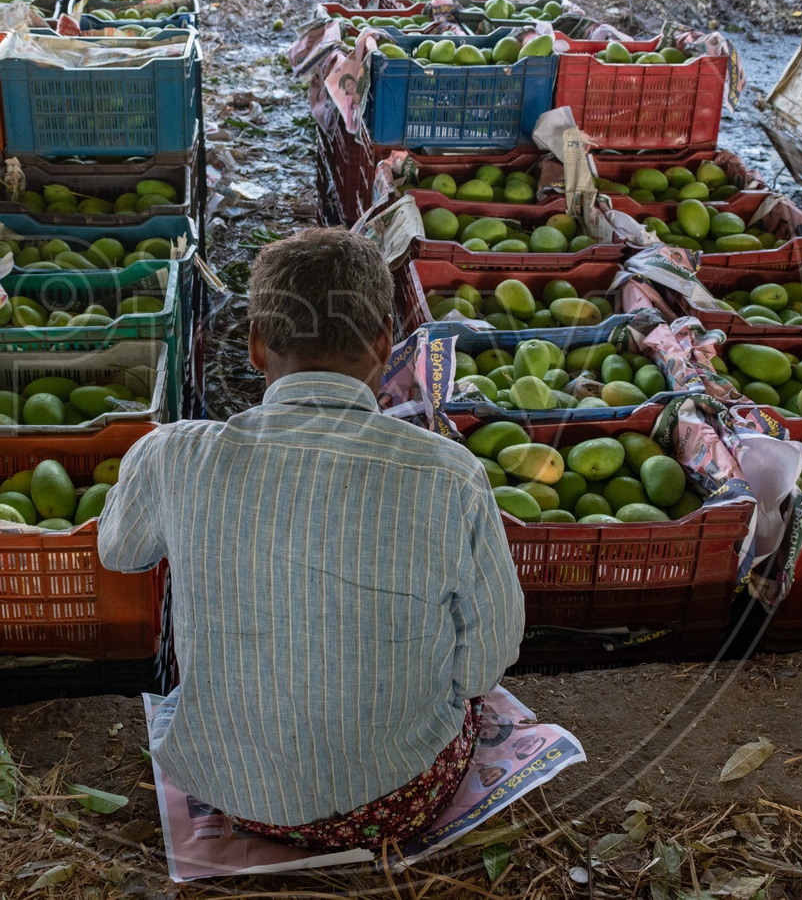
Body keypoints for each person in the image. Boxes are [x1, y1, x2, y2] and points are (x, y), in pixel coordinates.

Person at [98, 227, 524, 851]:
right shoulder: (449, 472)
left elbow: (119, 551)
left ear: (255, 345)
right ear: (385, 341)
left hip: (227, 788)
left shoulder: (174, 454)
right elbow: (488, 658)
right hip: (397, 798)